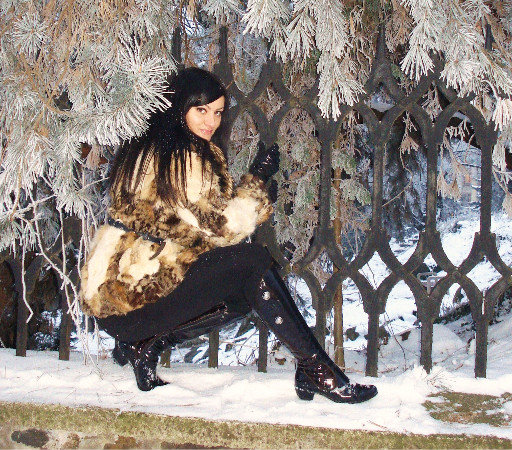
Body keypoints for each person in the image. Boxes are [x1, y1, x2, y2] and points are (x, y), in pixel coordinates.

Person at [79, 67, 377, 404]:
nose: (211, 122)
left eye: (218, 112)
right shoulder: (181, 157)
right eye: (201, 110)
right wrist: (257, 184)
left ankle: (146, 345)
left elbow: (193, 229)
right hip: (131, 301)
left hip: (119, 305)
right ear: (179, 107)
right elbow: (221, 229)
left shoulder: (151, 147)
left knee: (246, 289)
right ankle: (315, 369)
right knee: (254, 263)